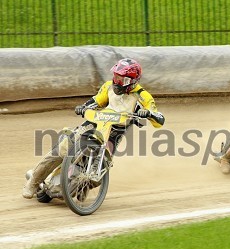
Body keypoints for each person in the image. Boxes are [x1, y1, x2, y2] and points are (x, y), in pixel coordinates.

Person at [22, 58, 165, 199]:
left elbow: (159, 120)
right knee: (63, 147)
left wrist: (148, 113)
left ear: (132, 81)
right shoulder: (108, 86)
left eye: (122, 79)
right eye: (116, 77)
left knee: (98, 176)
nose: (117, 82)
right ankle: (33, 182)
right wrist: (83, 107)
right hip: (94, 124)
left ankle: (75, 187)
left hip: (114, 134)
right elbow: (96, 101)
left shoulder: (143, 96)